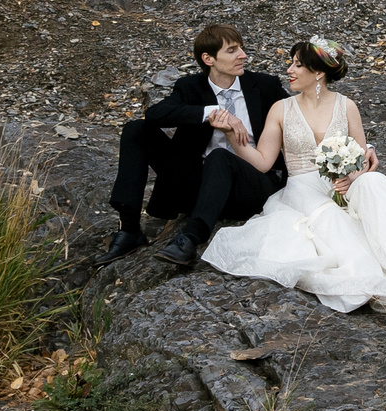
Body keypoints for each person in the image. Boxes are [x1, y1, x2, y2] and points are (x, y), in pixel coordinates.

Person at [200, 38, 386, 325]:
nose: (289, 70)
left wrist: (354, 175)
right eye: (290, 64)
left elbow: (360, 158)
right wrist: (232, 138)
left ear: (318, 72)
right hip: (303, 188)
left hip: (342, 184)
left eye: (297, 65)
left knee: (372, 183)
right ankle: (366, 276)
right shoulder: (281, 109)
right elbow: (263, 161)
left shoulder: (346, 106)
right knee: (330, 216)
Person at [106, 24, 290, 266]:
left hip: (250, 184)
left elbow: (300, 118)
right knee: (136, 129)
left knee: (220, 157)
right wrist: (211, 112)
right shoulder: (190, 87)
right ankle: (130, 229)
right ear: (208, 58)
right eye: (232, 50)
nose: (243, 55)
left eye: (241, 49)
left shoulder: (265, 86)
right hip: (198, 184)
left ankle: (191, 238)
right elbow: (155, 114)